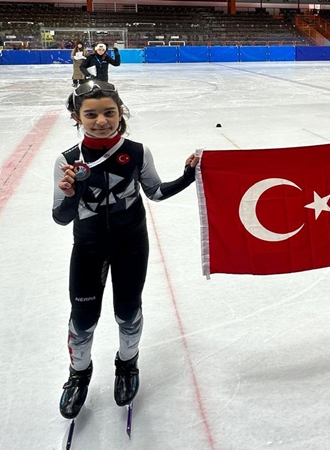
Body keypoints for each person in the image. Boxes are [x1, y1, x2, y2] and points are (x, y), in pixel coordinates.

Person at [52, 80, 200, 419]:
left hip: (131, 244)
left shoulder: (136, 152)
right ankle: (79, 374)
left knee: (127, 312)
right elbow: (61, 217)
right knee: (84, 318)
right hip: (88, 247)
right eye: (91, 114)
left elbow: (156, 193)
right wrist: (71, 193)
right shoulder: (67, 159)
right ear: (77, 117)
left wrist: (188, 175)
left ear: (121, 113)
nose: (101, 120)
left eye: (109, 112)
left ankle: (127, 364)